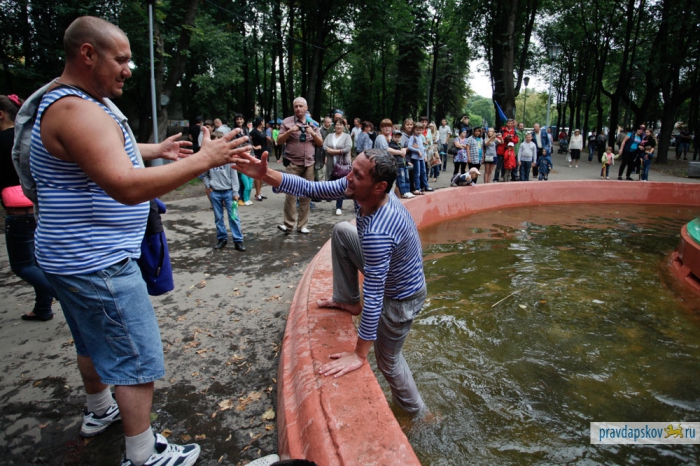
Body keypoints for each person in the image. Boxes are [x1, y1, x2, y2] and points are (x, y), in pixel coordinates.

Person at [28, 16, 251, 466]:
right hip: (98, 262)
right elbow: (125, 186)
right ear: (88, 54)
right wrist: (205, 159)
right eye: (121, 59)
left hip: (71, 257)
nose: (129, 70)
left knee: (92, 341)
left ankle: (99, 411)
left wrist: (155, 151)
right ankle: (143, 454)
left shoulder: (71, 100)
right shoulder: (75, 110)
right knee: (136, 357)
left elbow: (102, 150)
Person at [234, 148, 428, 416]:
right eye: (351, 170)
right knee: (343, 231)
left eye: (357, 175)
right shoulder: (362, 191)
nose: (347, 177)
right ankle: (348, 301)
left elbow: (374, 296)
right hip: (388, 274)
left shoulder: (379, 231)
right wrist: (266, 175)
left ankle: (419, 413)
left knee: (388, 362)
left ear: (379, 187)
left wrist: (359, 354)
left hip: (401, 296)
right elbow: (312, 188)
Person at [1, 94, 56, 322]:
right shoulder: (32, 136)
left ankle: (70, 296)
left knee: (23, 265)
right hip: (41, 207)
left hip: (18, 212)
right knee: (39, 263)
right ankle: (42, 308)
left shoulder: (3, 141)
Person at [276, 97, 323, 234]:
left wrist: (312, 133)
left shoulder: (313, 123)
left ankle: (302, 225)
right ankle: (288, 225)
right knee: (290, 195)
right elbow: (279, 141)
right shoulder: (287, 122)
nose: (298, 108)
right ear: (293, 108)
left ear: (306, 108)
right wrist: (290, 131)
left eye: (301, 106)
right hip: (293, 163)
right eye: (296, 106)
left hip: (309, 164)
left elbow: (320, 143)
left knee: (306, 195)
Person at [202, 161, 246, 251]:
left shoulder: (229, 161)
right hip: (215, 192)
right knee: (218, 217)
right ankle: (222, 239)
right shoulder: (210, 160)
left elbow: (234, 176)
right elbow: (205, 175)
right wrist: (208, 186)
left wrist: (235, 192)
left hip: (229, 192)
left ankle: (238, 240)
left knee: (234, 217)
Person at [324, 119, 352, 215]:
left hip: (342, 164)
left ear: (344, 126)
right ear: (334, 126)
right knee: (330, 182)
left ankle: (338, 206)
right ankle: (335, 197)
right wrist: (328, 150)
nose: (339, 126)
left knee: (340, 185)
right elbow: (324, 145)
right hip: (331, 163)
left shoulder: (347, 136)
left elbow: (348, 148)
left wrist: (335, 151)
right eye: (337, 124)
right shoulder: (329, 135)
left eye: (341, 125)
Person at [232, 113, 253, 204]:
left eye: (241, 119)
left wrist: (252, 153)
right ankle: (239, 197)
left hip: (247, 155)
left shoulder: (246, 129)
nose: (239, 121)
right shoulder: (233, 131)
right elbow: (234, 144)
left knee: (247, 179)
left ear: (244, 120)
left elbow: (249, 142)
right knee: (240, 178)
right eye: (237, 119)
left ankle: (245, 198)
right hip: (238, 156)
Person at [407, 122, 431, 195]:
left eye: (420, 130)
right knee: (417, 173)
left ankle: (426, 186)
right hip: (416, 157)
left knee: (423, 172)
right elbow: (409, 146)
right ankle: (418, 188)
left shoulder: (420, 137)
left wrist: (425, 155)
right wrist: (417, 151)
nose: (418, 131)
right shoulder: (413, 137)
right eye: (417, 130)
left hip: (421, 157)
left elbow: (422, 147)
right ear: (414, 130)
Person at [249, 116, 270, 201]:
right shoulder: (254, 131)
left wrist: (268, 140)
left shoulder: (263, 131)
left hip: (265, 152)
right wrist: (254, 147)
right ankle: (257, 194)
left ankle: (259, 192)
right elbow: (247, 141)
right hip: (258, 154)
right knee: (257, 174)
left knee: (263, 174)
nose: (264, 123)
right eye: (263, 121)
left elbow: (266, 141)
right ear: (261, 122)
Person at [388, 129, 412, 198]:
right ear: (392, 137)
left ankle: (407, 191)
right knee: (401, 179)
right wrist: (401, 150)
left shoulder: (400, 145)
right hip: (399, 165)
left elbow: (403, 156)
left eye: (398, 137)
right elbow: (397, 153)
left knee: (406, 178)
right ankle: (403, 192)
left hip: (404, 164)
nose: (397, 138)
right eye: (395, 137)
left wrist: (407, 162)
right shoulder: (392, 145)